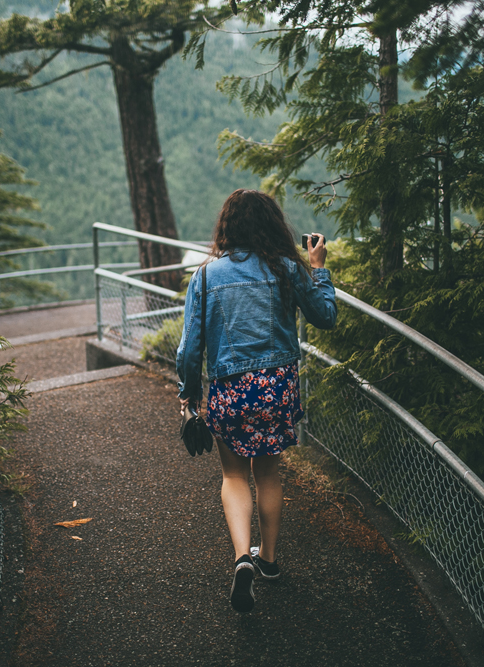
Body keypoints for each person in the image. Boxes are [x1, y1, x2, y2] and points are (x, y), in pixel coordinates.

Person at [175, 189, 337, 613]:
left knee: (233, 476)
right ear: (271, 224)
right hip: (278, 387)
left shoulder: (207, 276)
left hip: (231, 389)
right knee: (268, 473)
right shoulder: (288, 268)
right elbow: (325, 317)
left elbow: (190, 350)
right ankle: (268, 561)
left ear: (226, 226)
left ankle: (241, 557)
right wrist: (318, 270)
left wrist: (189, 394)